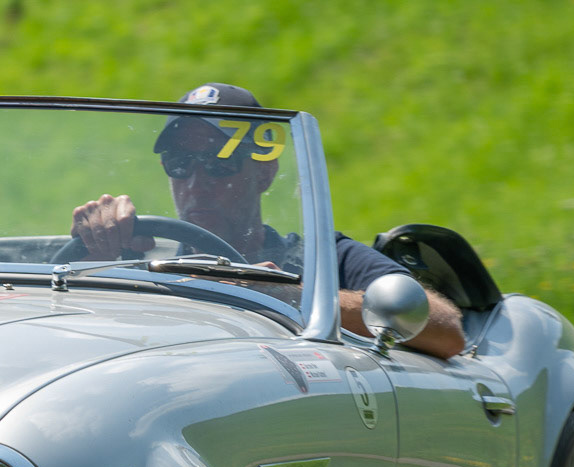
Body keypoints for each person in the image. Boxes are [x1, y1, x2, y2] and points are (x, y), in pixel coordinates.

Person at [70, 83, 465, 359]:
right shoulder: (136, 259)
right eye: (180, 164)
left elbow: (446, 331)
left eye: (218, 164)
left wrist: (285, 295)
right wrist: (94, 252)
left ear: (264, 173)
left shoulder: (323, 259)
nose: (195, 183)